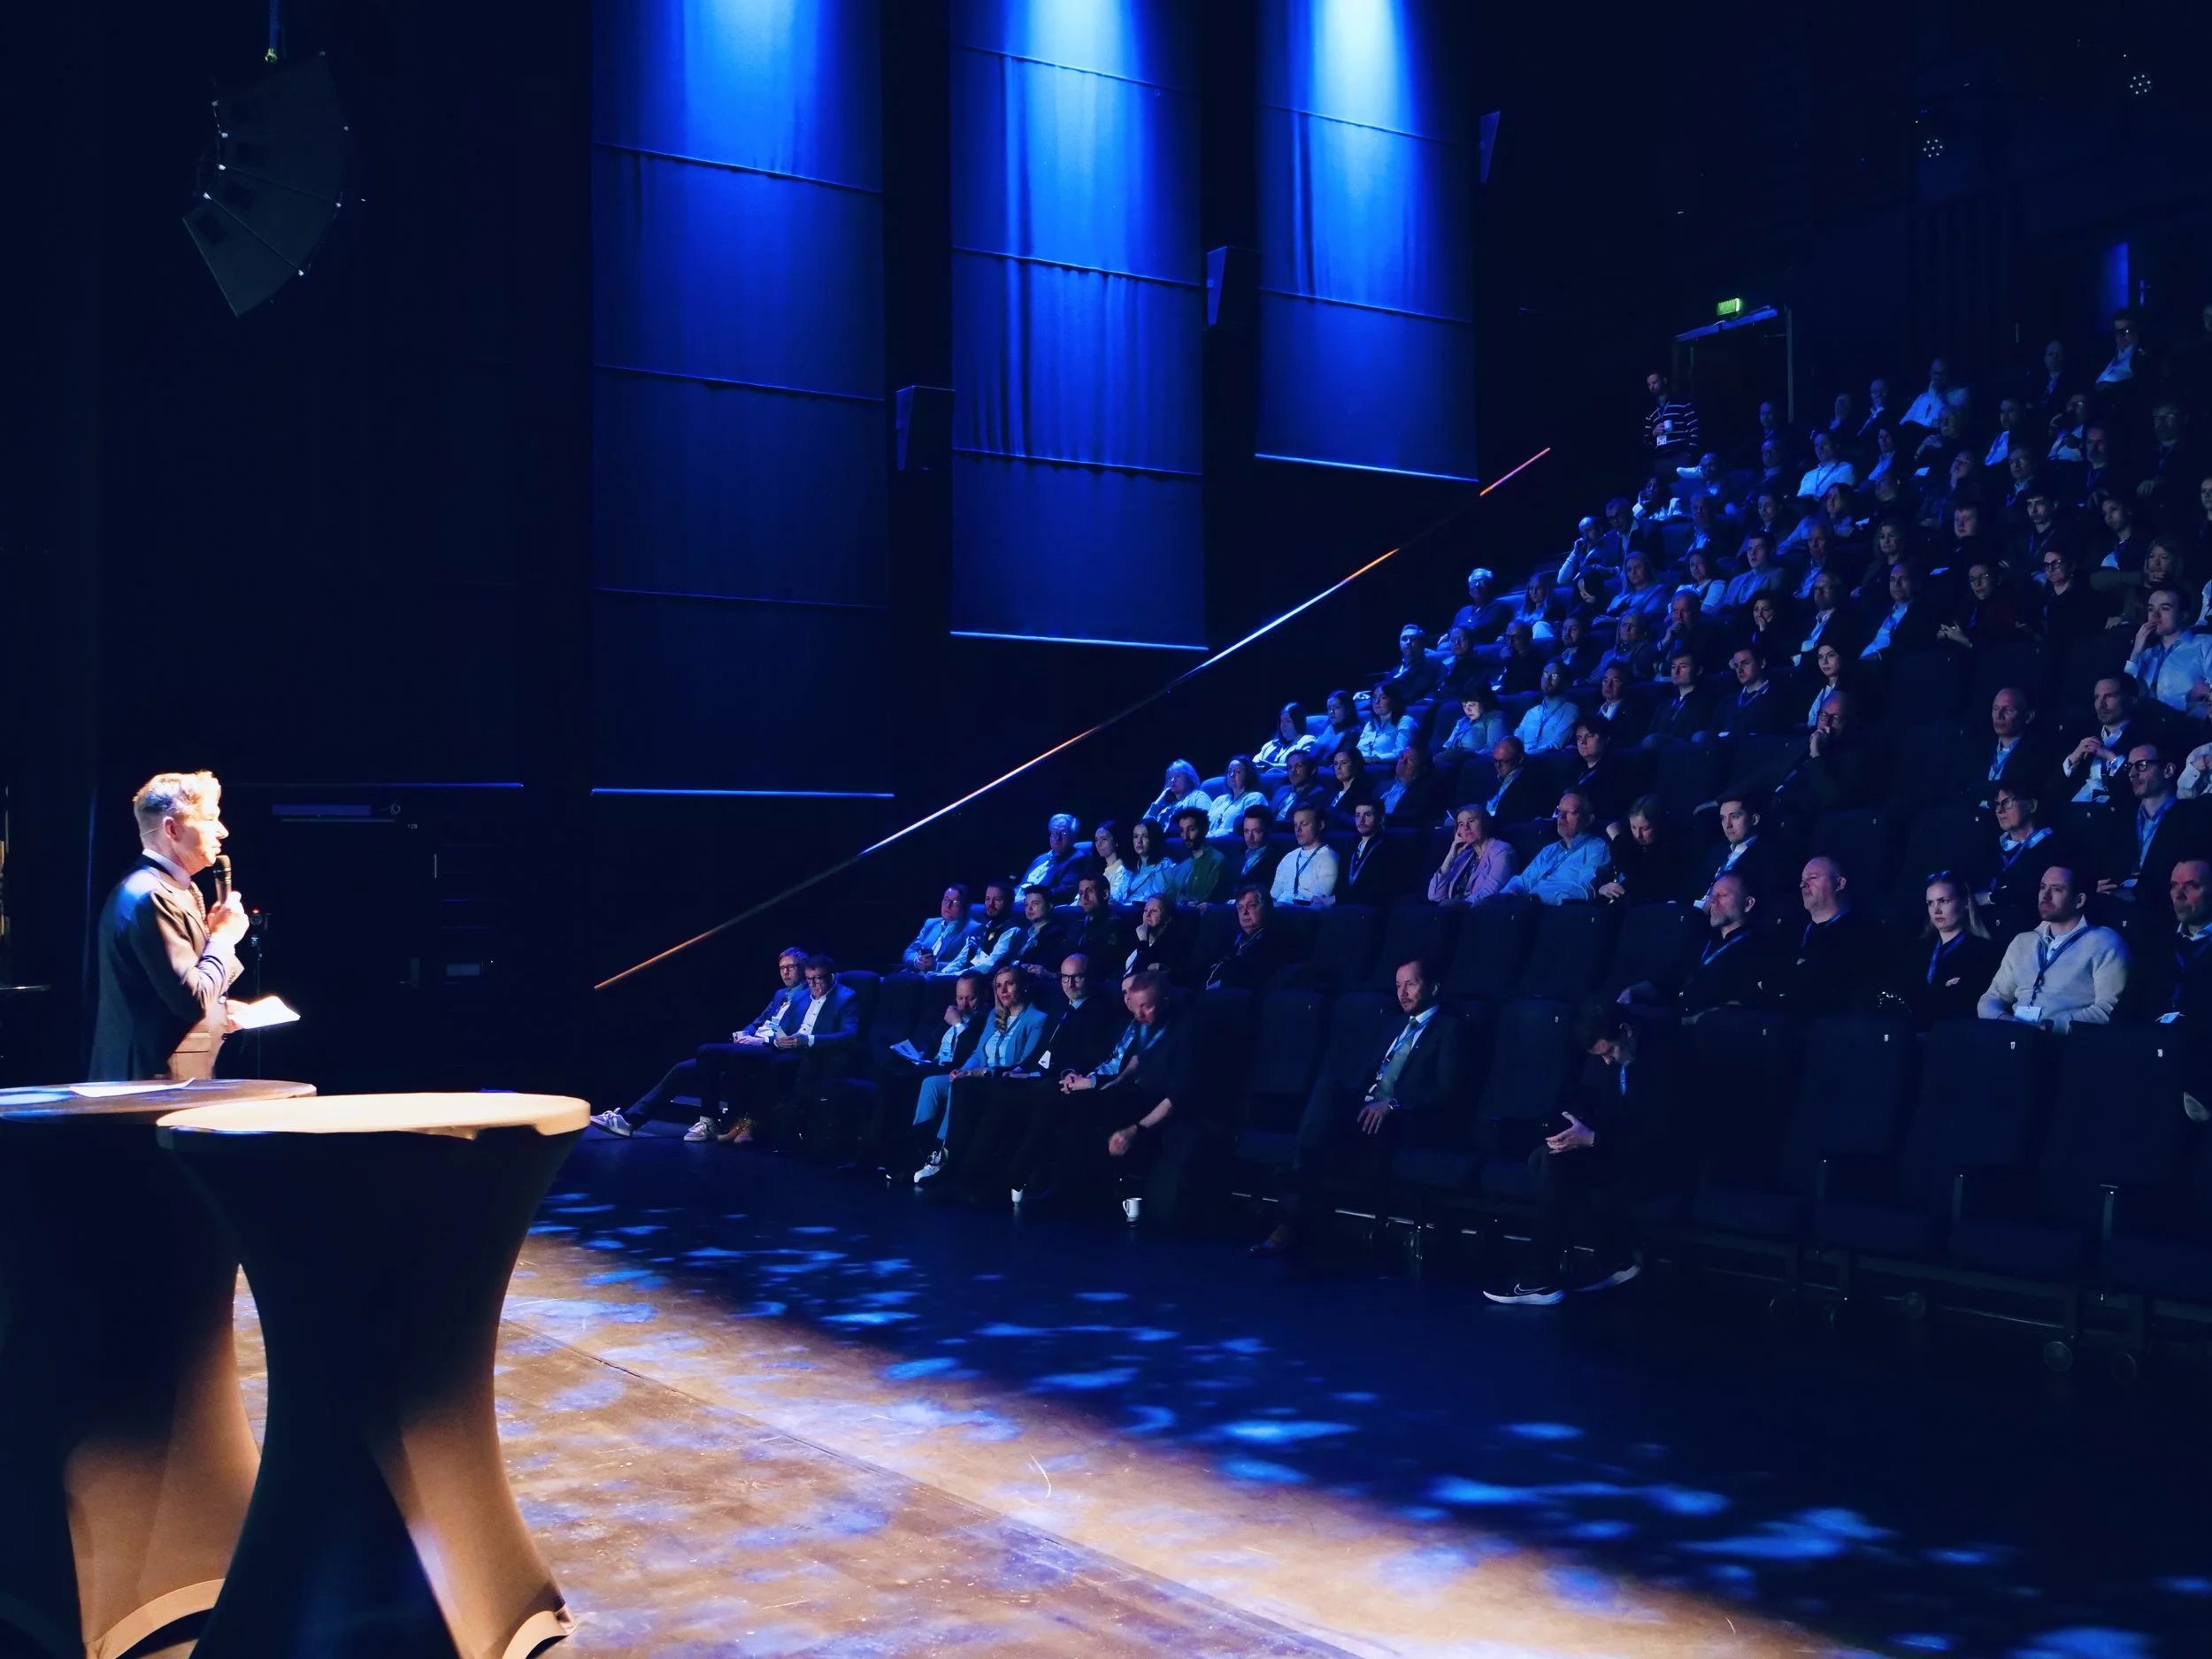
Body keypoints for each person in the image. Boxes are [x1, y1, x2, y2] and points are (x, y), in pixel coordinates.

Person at [1253, 959, 1466, 1259]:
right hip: (1367, 1108)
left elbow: (1446, 1091)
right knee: (1327, 1089)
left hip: (1404, 1117)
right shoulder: (1395, 1024)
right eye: (1397, 985)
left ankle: (1290, 1205)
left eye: (1411, 984)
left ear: (1433, 987)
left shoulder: (1450, 1029)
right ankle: (1297, 1208)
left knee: (1320, 1139)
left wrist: (1394, 1104)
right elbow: (1367, 1077)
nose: (1402, 993)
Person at [1485, 1002, 1675, 1305]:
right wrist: (1577, 1128)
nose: (1608, 1062)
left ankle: (1542, 1276)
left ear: (1625, 1031)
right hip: (1620, 1149)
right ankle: (1613, 1254)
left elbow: (1661, 1138)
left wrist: (1594, 1139)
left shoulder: (1666, 1060)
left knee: (1556, 1164)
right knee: (1544, 1156)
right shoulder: (1619, 1056)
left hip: (1657, 1163)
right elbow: (1607, 1109)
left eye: (1609, 1052)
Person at [89, 771, 251, 1081]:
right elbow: (192, 1001)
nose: (223, 831)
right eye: (209, 819)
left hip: (175, 1078)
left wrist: (221, 1012)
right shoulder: (150, 896)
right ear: (172, 829)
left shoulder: (179, 889)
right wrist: (224, 938)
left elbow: (172, 991)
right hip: (152, 1087)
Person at [944, 955, 1125, 1205]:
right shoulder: (1061, 1007)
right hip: (1035, 1075)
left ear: (1089, 978)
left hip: (1059, 1080)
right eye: (1064, 977)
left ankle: (992, 1180)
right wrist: (1020, 1069)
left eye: (1077, 977)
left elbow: (1090, 1056)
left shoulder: (1099, 1012)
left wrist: (1038, 1073)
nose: (1069, 984)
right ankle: (955, 1167)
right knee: (967, 1085)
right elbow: (1039, 1052)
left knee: (1011, 1096)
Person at [1018, 971, 1193, 1220]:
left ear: (1164, 1001)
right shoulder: (1145, 1025)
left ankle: (1080, 1195)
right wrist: (1107, 1086)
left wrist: (1135, 1130)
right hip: (1131, 1092)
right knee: (1074, 1101)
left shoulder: (1186, 1033)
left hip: (1158, 1103)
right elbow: (1135, 1062)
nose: (1140, 1014)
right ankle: (1050, 1186)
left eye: (1147, 1007)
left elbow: (1176, 1098)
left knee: (1104, 1110)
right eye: (1136, 1007)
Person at [595, 946, 811, 1138]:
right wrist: (744, 1033)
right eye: (782, 967)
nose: (786, 972)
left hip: (770, 1051)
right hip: (748, 1046)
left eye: (792, 967)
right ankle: (630, 1120)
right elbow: (758, 1021)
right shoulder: (780, 994)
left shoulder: (809, 995)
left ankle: (710, 1120)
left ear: (803, 968)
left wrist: (762, 1040)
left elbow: (795, 1032)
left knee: (706, 1052)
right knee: (683, 1068)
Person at [910, 964, 1048, 1185]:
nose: (1003, 991)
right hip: (975, 1074)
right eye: (999, 986)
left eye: (1009, 984)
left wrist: (980, 1073)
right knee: (932, 1083)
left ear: (1022, 987)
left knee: (961, 1087)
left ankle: (944, 1156)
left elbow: (1025, 1065)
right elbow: (978, 1053)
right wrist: (963, 1070)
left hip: (999, 1081)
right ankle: (921, 1150)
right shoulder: (995, 1014)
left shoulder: (1036, 1020)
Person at [716, 955, 862, 1145]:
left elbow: (849, 1035)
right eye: (809, 979)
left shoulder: (846, 997)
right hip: (789, 1046)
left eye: (819, 979)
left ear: (831, 977)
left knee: (776, 1066)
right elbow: (783, 1026)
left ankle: (751, 1125)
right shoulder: (801, 996)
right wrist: (778, 1041)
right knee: (743, 1061)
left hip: (814, 1050)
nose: (813, 984)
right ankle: (737, 1122)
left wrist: (808, 1040)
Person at [1978, 864, 2129, 1031]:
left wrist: (2051, 1028)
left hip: (2066, 1045)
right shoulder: (2022, 941)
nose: (2045, 896)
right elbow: (1991, 999)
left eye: (2056, 889)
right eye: (2043, 887)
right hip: (2017, 1040)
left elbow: (2107, 1009)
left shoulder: (2104, 942)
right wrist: (2009, 1022)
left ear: (2079, 900)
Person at [1762, 857, 1887, 1016]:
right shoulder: (1790, 929)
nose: (1803, 884)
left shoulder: (1863, 931)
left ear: (1840, 884)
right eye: (1802, 880)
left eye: (1812, 878)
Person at [2093, 741, 2212, 902]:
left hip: (2163, 907)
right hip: (2112, 905)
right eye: (2129, 767)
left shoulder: (2193, 816)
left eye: (2142, 765)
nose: (2133, 773)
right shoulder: (2118, 818)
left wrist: (2137, 895)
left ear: (2168, 770)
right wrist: (2095, 886)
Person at [1903, 873, 2004, 1025]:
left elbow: (1968, 1003)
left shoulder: (1983, 951)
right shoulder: (1918, 949)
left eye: (1943, 901)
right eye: (1930, 903)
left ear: (1965, 903)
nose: (1936, 910)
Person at [1955, 686, 2056, 810]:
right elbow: (1960, 787)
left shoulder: (2037, 751)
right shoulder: (1978, 749)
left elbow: (2015, 787)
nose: (1999, 715)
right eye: (1995, 708)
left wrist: (1978, 790)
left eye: (2007, 710)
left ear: (2028, 717)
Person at [1501, 792, 1610, 905]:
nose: (1561, 817)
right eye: (1559, 811)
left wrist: (1536, 898)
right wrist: (1507, 894)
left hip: (1553, 912)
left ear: (1588, 819)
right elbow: (1523, 881)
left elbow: (1587, 890)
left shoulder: (1597, 848)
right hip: (1525, 908)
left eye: (1571, 812)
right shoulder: (1549, 850)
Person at [1979, 783, 2056, 938]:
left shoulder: (2053, 846)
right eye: (1996, 805)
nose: (1999, 811)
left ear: (2032, 805)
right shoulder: (1991, 847)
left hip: (2031, 936)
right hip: (1987, 935)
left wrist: (1989, 898)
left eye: (2007, 802)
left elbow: (2033, 890)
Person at [2124, 588, 2212, 715]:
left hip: (2189, 727)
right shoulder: (2147, 654)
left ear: (2184, 614)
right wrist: (2136, 653)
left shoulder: (2205, 645)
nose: (2155, 616)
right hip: (2147, 727)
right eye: (2151, 609)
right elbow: (2124, 695)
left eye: (2165, 609)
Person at [1693, 792, 1785, 905]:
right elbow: (1694, 887)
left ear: (1754, 819)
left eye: (1734, 817)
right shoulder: (1717, 851)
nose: (1728, 825)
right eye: (1723, 819)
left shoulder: (1768, 855)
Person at [1598, 796, 1688, 905]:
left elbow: (1638, 876)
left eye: (1645, 829)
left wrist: (1617, 838)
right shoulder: (1628, 841)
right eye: (1633, 827)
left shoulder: (1671, 849)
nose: (1638, 835)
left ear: (1658, 825)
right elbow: (1607, 875)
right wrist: (1603, 887)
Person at [1203, 886, 1291, 990]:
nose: (1244, 913)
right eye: (1240, 907)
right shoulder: (1232, 937)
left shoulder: (1276, 942)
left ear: (1266, 909)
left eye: (1251, 906)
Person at [1429, 803, 1516, 902]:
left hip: (1477, 914)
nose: (1466, 827)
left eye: (1471, 821)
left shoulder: (1502, 851)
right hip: (1452, 911)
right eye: (1461, 824)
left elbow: (1488, 895)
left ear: (1484, 823)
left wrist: (1457, 907)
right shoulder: (1465, 855)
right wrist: (1450, 857)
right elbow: (1434, 896)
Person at [1705, 643, 1791, 741]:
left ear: (1762, 663)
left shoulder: (1778, 700)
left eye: (1745, 663)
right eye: (1736, 666)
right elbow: (1709, 736)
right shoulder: (1726, 702)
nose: (1739, 670)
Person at [934, 879, 1019, 975]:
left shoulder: (1011, 930)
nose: (990, 904)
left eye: (997, 900)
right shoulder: (980, 928)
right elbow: (961, 959)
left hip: (982, 981)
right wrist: (942, 974)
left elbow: (990, 965)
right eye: (988, 899)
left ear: (1009, 904)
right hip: (962, 977)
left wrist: (955, 976)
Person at [1339, 802, 1409, 904]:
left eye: (1368, 815)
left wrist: (1337, 899)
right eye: (1358, 815)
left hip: (1371, 906)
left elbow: (1378, 887)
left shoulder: (1390, 848)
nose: (1361, 821)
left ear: (1381, 819)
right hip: (1345, 904)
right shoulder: (1351, 846)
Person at [1271, 803, 1340, 906]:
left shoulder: (1329, 858)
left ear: (1320, 825)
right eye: (1295, 825)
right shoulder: (1289, 857)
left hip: (1304, 911)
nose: (1298, 830)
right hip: (1279, 909)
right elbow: (1273, 895)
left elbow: (1319, 899)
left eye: (1304, 824)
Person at [1642, 649, 1715, 746]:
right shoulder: (1664, 705)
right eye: (1673, 667)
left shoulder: (1705, 704)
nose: (1676, 672)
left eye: (1683, 667)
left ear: (1698, 670)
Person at [1565, 716, 1631, 824]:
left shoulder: (1617, 772)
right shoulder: (1572, 770)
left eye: (1589, 736)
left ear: (1606, 739)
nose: (1583, 743)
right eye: (1579, 738)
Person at [1514, 661, 1580, 753]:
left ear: (1565, 682)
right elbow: (1515, 741)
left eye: (1554, 676)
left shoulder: (1570, 710)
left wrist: (1527, 755)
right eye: (1545, 674)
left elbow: (1557, 745)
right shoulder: (1532, 712)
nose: (1547, 679)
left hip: (1547, 763)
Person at [902, 886, 972, 973]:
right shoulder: (931, 924)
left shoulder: (972, 929)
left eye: (955, 902)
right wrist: (917, 961)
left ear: (965, 906)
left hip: (940, 980)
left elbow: (966, 964)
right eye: (946, 900)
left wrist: (936, 966)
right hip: (913, 974)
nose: (948, 906)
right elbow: (910, 951)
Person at [1017, 816, 1085, 902]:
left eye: (1064, 833)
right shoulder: (1040, 859)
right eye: (1054, 832)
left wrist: (1033, 896)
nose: (1057, 838)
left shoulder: (1078, 859)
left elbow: (1066, 891)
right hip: (1020, 899)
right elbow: (1022, 884)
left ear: (1073, 837)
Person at [1009, 885, 1069, 980]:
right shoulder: (1021, 934)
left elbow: (1042, 966)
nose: (1029, 908)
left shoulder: (1056, 935)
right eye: (1026, 904)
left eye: (1035, 903)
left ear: (1049, 906)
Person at [1167, 808, 1225, 904]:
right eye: (1182, 831)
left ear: (1205, 830)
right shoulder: (1182, 866)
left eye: (1191, 830)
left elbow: (1205, 897)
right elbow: (1170, 897)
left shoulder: (1216, 860)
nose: (1186, 836)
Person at [1069, 873, 1127, 969]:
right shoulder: (1077, 923)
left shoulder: (1114, 926)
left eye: (1089, 891)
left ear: (1105, 894)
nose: (1084, 898)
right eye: (1081, 893)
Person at [1110, 818, 1172, 904]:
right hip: (1122, 911)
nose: (1139, 841)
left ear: (1154, 839)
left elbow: (1155, 897)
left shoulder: (1164, 866)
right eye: (1136, 836)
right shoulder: (1128, 866)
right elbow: (1116, 893)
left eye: (1144, 836)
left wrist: (1125, 906)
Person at [1438, 689, 1508, 765]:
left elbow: (1494, 750)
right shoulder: (1463, 721)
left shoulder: (1495, 718)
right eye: (1464, 705)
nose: (1468, 710)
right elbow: (1448, 745)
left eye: (1472, 705)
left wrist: (1468, 754)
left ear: (1483, 702)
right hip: (1449, 762)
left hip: (1474, 765)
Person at [1379, 746, 1443, 827]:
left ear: (1423, 767)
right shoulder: (1381, 785)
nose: (1403, 762)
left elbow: (1413, 819)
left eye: (1411, 760)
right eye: (1401, 757)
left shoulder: (1426, 791)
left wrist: (1377, 819)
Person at [1225, 807, 1283, 896]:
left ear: (1268, 831)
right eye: (1246, 831)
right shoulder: (1238, 856)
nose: (1250, 837)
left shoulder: (1276, 860)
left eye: (1256, 831)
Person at [1207, 756, 1269, 836]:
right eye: (1229, 771)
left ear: (1248, 775)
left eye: (1238, 772)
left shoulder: (1254, 798)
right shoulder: (1220, 800)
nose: (1232, 775)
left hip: (1232, 844)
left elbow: (1250, 828)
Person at [1357, 683, 1418, 764]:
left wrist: (1375, 759)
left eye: (1383, 698)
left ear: (1393, 700)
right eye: (1374, 697)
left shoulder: (1405, 721)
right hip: (1363, 768)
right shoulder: (1369, 725)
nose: (1376, 702)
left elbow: (1401, 753)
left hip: (1388, 769)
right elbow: (1359, 751)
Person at [1385, 623, 1440, 705]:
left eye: (1413, 639)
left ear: (1422, 644)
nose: (1408, 642)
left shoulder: (1433, 667)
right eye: (1404, 639)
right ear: (1400, 645)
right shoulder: (1394, 671)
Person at [1142, 760, 1210, 826]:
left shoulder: (1199, 797)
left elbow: (1206, 824)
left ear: (1189, 780)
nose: (1172, 780)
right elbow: (1144, 827)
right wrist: (1158, 801)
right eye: (1170, 777)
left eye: (1178, 776)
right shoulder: (1166, 806)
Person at [1255, 703, 1317, 773]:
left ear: (1298, 722)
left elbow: (1302, 766)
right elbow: (1254, 763)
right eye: (1282, 721)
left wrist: (1272, 767)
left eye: (1288, 721)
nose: (1283, 726)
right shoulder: (1271, 745)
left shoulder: (1307, 741)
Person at [1271, 749, 1329, 822]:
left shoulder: (1317, 794)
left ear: (1312, 770)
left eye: (1298, 766)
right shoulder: (1282, 789)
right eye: (1290, 767)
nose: (1293, 771)